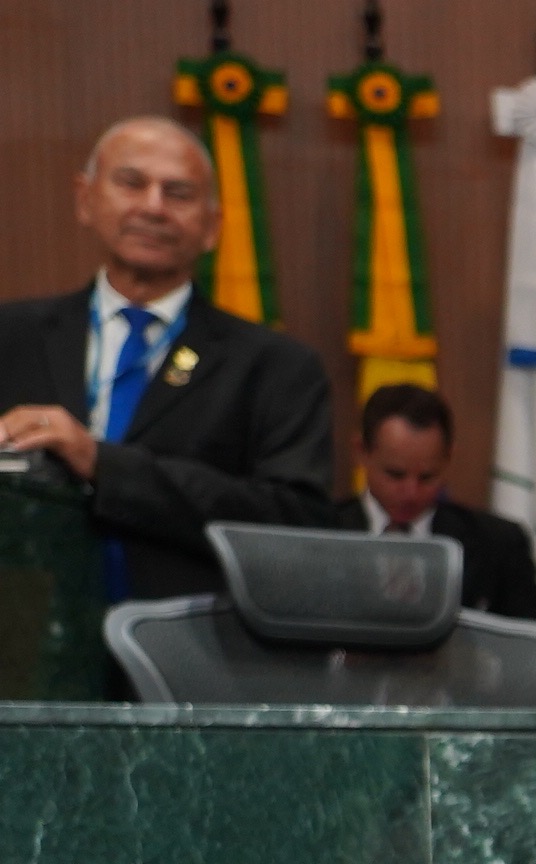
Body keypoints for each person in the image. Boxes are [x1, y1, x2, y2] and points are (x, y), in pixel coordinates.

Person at [0, 116, 333, 606]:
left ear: (212, 226)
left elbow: (295, 526)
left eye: (178, 193)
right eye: (131, 183)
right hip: (26, 635)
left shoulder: (276, 368)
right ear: (85, 199)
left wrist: (103, 465)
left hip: (190, 642)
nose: (153, 207)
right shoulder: (11, 338)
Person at [357, 381, 536, 622]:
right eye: (395, 474)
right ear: (361, 452)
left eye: (427, 477)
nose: (411, 492)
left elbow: (533, 640)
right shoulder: (324, 531)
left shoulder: (499, 544)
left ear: (448, 458)